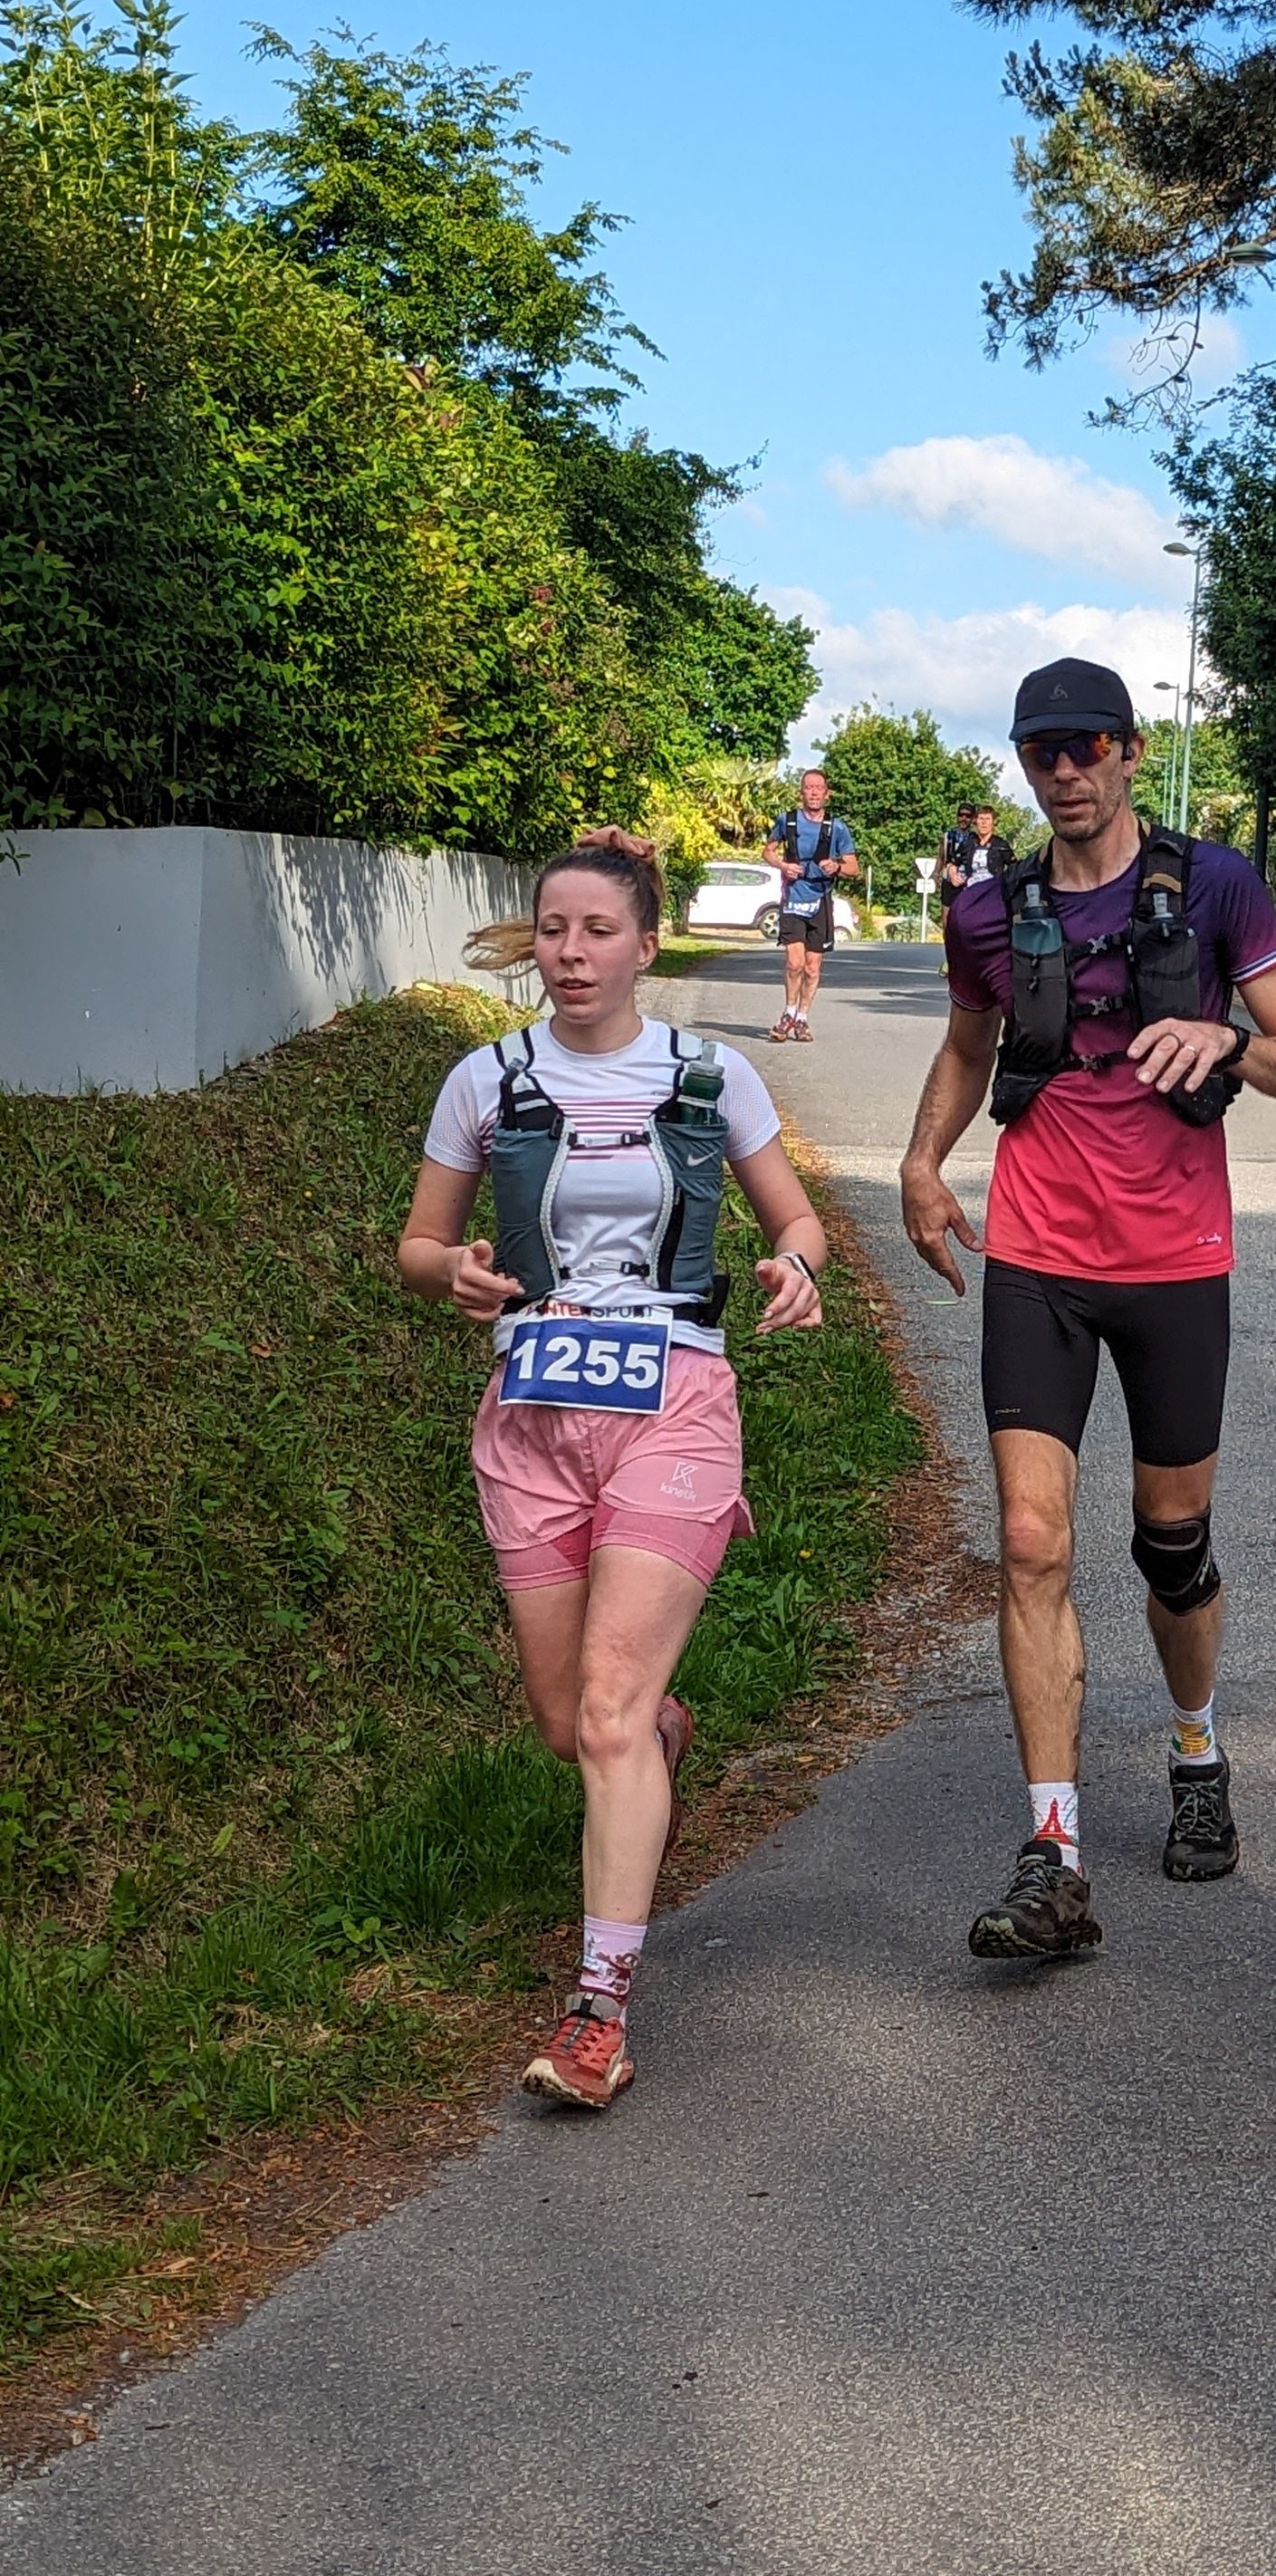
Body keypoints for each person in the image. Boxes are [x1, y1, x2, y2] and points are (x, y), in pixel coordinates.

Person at [900, 656, 1276, 1958]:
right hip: (1039, 1254)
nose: (1067, 770)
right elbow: (969, 1047)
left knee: (1169, 1543)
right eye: (1043, 752)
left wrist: (1231, 1042)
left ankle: (1197, 1752)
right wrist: (922, 1164)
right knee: (1030, 1540)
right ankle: (1053, 1852)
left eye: (1089, 745)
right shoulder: (987, 911)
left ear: (1132, 751)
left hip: (1176, 1260)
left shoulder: (1218, 886)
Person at [397, 829, 829, 2112]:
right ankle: (660, 1737)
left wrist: (796, 1265)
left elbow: (795, 1215)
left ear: (646, 943)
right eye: (553, 930)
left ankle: (599, 2016)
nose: (571, 953)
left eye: (597, 931)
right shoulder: (486, 1078)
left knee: (603, 1715)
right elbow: (418, 1247)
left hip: (673, 1405)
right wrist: (453, 1270)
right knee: (568, 1723)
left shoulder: (710, 1074)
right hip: (533, 1417)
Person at [763, 768, 857, 1041]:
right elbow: (767, 851)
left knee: (812, 967)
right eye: (809, 788)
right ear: (801, 792)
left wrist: (836, 866)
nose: (814, 793)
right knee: (794, 963)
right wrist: (783, 866)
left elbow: (853, 867)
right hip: (793, 897)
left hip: (821, 900)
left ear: (826, 794)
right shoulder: (788, 821)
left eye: (819, 788)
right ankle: (788, 1014)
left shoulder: (837, 827)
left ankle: (802, 1019)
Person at [938, 803, 1014, 899]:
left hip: (993, 896)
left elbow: (1014, 868)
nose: (984, 823)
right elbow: (952, 863)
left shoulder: (1001, 845)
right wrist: (953, 875)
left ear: (993, 822)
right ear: (975, 821)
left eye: (987, 819)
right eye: (981, 819)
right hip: (970, 895)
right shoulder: (967, 844)